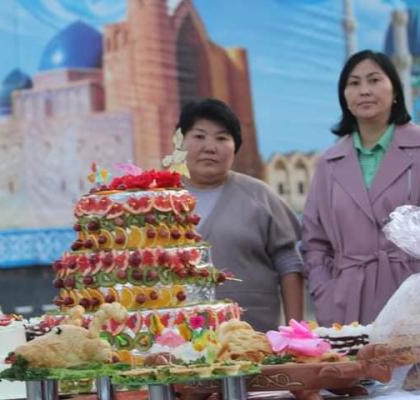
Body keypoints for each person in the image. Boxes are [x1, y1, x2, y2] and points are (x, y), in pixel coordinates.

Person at [301, 50, 420, 327]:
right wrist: (325, 293)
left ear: (395, 90)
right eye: (354, 83)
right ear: (344, 96)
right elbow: (314, 242)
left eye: (374, 80)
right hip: (347, 304)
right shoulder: (329, 162)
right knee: (358, 358)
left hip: (412, 294)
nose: (364, 90)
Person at [177, 98, 304, 332]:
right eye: (199, 136)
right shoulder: (160, 200)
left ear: (235, 146)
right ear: (180, 141)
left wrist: (296, 332)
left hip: (253, 336)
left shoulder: (260, 196)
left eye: (222, 138)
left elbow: (289, 263)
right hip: (177, 339)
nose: (210, 147)